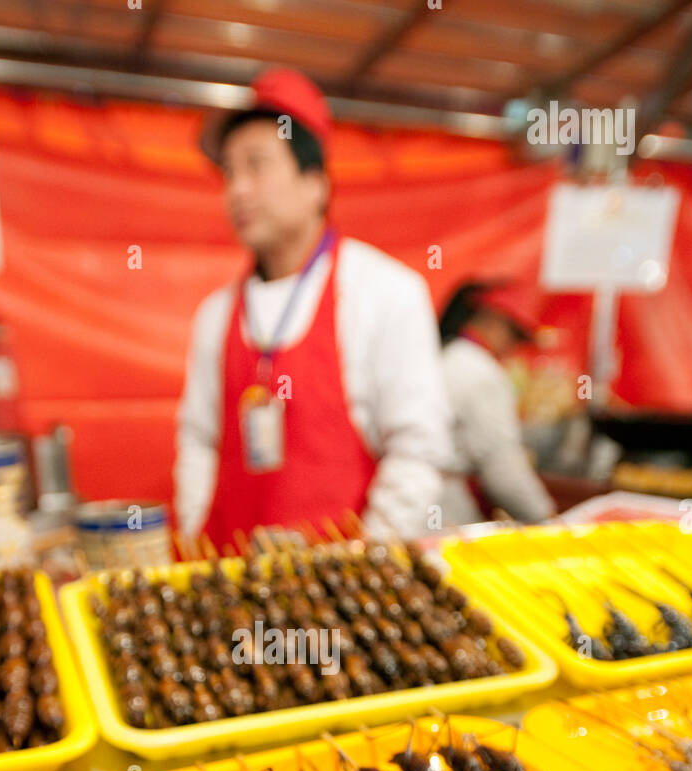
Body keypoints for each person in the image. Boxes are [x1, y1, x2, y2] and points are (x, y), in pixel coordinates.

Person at [174, 68, 469, 549]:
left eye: (257, 165)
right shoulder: (215, 315)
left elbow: (416, 452)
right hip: (230, 590)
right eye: (229, 172)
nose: (237, 191)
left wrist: (363, 569)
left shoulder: (385, 292)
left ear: (316, 184)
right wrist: (195, 543)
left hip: (340, 594)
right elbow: (198, 442)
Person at [438, 281, 557, 523]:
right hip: (447, 514)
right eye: (514, 335)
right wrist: (547, 520)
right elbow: (502, 469)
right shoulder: (481, 372)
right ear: (492, 320)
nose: (514, 348)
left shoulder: (449, 355)